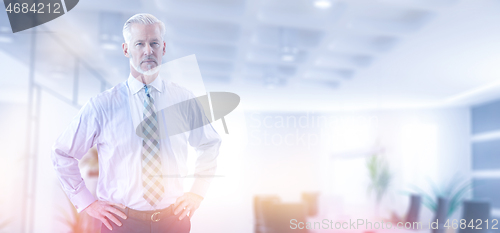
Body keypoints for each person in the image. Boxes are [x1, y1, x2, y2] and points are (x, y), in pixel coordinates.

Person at [51, 13, 221, 233]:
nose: (148, 50)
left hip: (173, 222)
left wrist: (198, 191)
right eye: (139, 43)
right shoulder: (102, 106)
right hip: (120, 223)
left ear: (164, 48)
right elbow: (62, 152)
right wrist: (87, 202)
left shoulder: (184, 99)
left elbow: (209, 143)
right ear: (126, 49)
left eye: (154, 43)